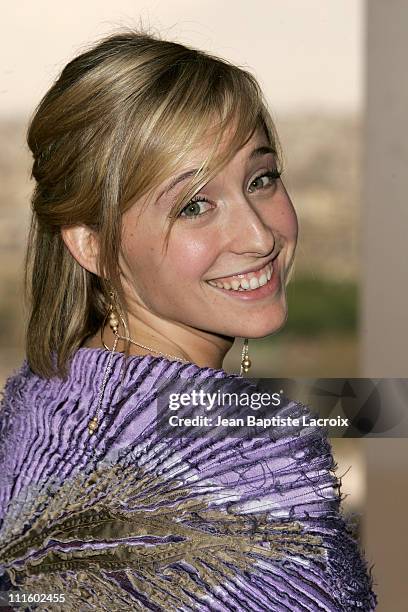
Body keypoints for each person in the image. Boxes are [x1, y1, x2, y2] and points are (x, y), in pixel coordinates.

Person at [0, 29, 376, 611]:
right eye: (195, 206)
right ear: (92, 244)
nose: (259, 235)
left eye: (261, 179)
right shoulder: (252, 470)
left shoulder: (45, 396)